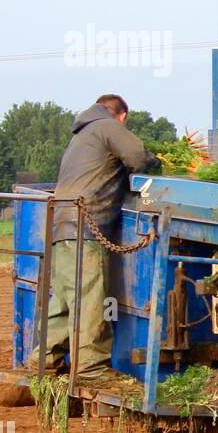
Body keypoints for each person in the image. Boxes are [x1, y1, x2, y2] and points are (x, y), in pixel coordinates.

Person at [29, 94, 161, 378]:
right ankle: (90, 367)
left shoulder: (82, 134)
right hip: (86, 224)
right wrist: (155, 162)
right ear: (122, 116)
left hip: (62, 222)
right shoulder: (107, 126)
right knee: (89, 296)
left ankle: (45, 360)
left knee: (65, 298)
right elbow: (137, 156)